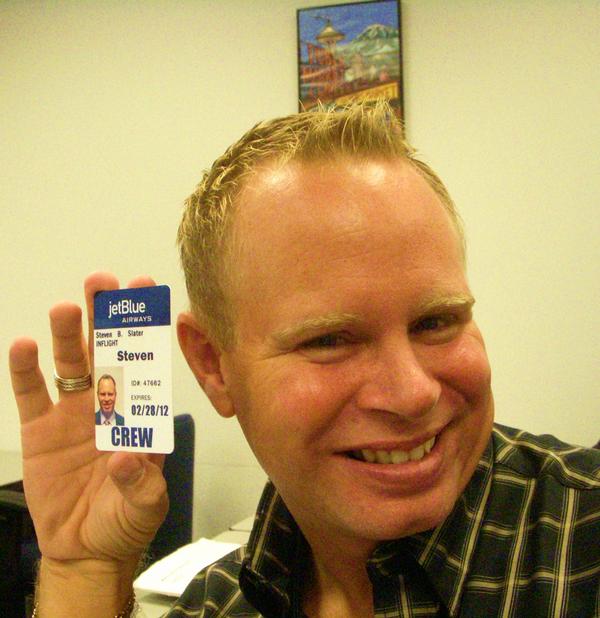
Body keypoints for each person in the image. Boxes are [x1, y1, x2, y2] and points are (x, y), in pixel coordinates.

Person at [9, 101, 599, 617]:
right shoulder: (217, 605)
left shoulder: (583, 544)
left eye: (436, 322)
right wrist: (83, 573)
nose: (412, 392)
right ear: (213, 365)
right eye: (330, 340)